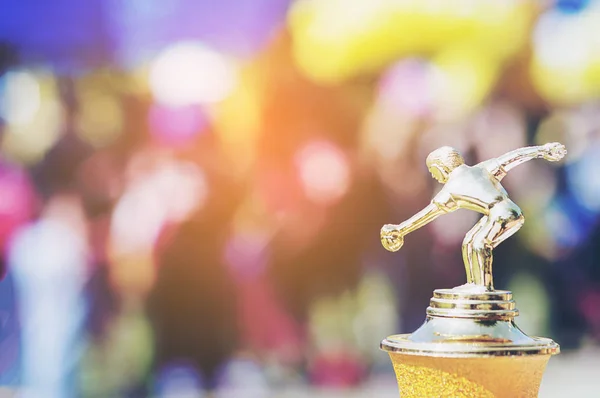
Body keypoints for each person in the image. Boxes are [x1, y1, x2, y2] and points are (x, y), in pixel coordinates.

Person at [380, 142, 567, 291]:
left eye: (433, 171)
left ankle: (483, 288)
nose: (434, 176)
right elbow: (513, 157)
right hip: (508, 211)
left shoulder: (451, 189)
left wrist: (401, 229)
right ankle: (476, 285)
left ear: (441, 167)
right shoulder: (481, 168)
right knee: (469, 241)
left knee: (478, 244)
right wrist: (542, 150)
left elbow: (429, 213)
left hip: (501, 214)